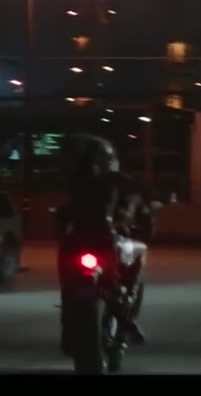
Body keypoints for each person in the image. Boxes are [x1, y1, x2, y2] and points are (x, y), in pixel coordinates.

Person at [56, 135, 147, 348]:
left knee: (68, 288)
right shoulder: (112, 180)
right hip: (101, 237)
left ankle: (69, 332)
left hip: (75, 240)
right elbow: (137, 193)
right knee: (111, 281)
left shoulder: (76, 181)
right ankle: (126, 322)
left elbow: (64, 214)